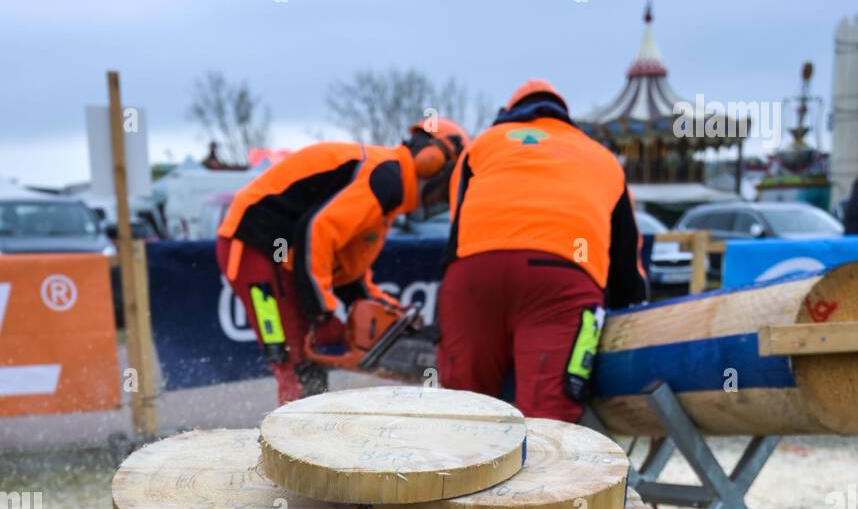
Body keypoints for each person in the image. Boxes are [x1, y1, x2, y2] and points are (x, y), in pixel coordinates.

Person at [437, 81, 647, 422]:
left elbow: (457, 229)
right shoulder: (602, 158)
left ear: (508, 114)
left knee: (466, 413)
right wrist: (625, 309)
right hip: (563, 276)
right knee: (549, 418)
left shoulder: (482, 146)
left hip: (475, 272)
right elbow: (626, 260)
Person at [216, 120, 468, 402]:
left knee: (308, 360)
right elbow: (317, 231)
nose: (438, 200)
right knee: (292, 357)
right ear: (431, 162)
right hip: (255, 249)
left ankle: (304, 425)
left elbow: (350, 271)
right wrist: (322, 310)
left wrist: (389, 310)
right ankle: (294, 434)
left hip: (284, 257)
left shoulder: (389, 188)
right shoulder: (386, 178)